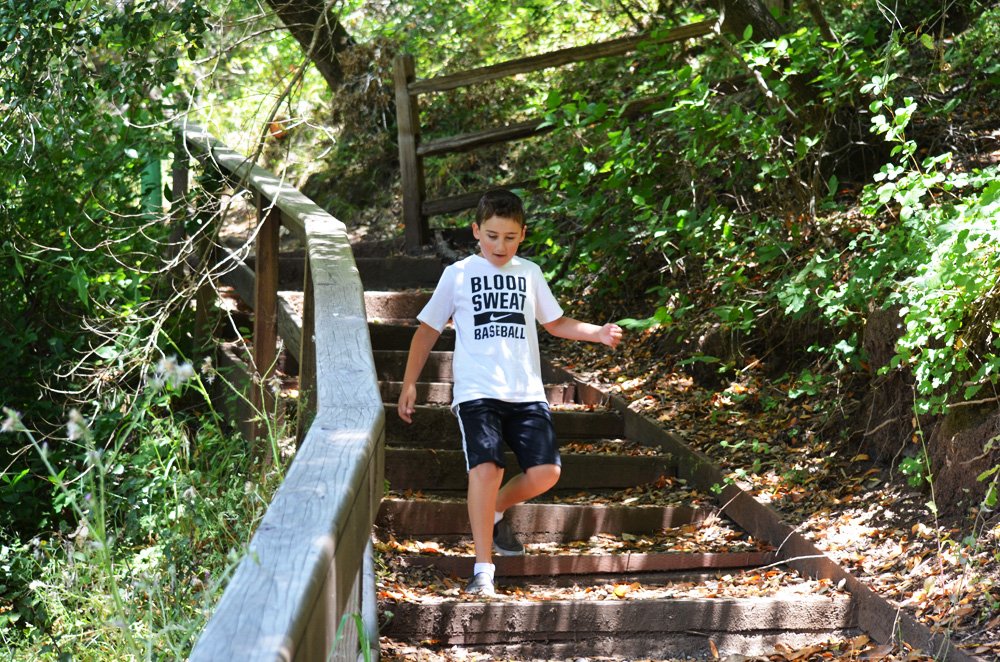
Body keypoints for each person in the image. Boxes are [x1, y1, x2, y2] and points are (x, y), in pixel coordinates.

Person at [396, 188, 623, 596]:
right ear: (476, 231)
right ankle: (483, 569)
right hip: (477, 391)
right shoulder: (459, 274)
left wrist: (599, 333)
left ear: (523, 235)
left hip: (525, 391)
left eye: (510, 237)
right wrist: (410, 382)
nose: (500, 245)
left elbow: (555, 323)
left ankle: (497, 508)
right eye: (492, 235)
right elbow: (427, 330)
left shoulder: (529, 273)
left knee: (547, 472)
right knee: (487, 468)